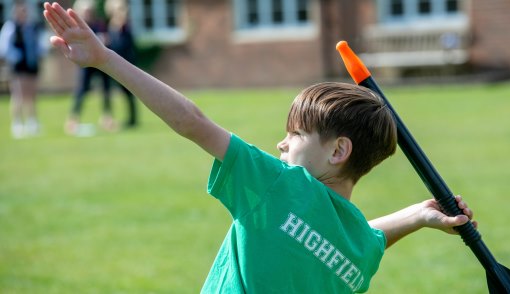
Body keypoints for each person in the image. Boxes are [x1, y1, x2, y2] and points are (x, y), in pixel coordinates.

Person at [43, 3, 477, 293]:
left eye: (296, 135)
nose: (281, 143)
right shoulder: (359, 255)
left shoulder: (276, 186)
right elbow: (368, 239)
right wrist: (418, 217)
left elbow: (191, 122)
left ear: (337, 151)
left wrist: (105, 59)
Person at [64, 0, 116, 135]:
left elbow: (107, 40)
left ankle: (107, 118)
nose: (88, 14)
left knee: (106, 90)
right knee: (81, 90)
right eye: (85, 11)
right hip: (86, 64)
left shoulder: (99, 25)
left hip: (101, 63)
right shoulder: (76, 27)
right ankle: (73, 119)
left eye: (90, 11)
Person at [0, 1, 45, 138]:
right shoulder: (11, 27)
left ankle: (32, 122)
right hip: (18, 67)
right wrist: (16, 56)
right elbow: (4, 47)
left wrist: (39, 53)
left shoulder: (32, 27)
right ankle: (17, 123)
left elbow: (38, 45)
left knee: (31, 94)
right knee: (18, 94)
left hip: (31, 65)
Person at [105, 0, 137, 128]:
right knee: (110, 92)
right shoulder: (110, 26)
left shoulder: (126, 27)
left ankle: (132, 119)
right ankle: (109, 118)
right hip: (112, 65)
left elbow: (127, 46)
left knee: (128, 92)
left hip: (126, 63)